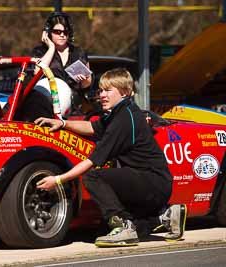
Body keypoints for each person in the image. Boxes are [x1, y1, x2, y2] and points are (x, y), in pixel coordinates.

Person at [35, 68, 187, 247]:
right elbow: (93, 127)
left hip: (152, 183)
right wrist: (63, 123)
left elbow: (91, 162)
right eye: (100, 90)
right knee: (105, 231)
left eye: (108, 90)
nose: (102, 95)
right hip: (151, 183)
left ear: (124, 92)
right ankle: (166, 216)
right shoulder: (121, 111)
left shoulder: (123, 119)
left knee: (92, 177)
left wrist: (58, 180)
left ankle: (123, 227)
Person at [32, 12, 92, 116]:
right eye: (57, 31)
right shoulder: (40, 51)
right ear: (48, 32)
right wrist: (51, 48)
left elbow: (87, 83)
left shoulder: (78, 52)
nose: (62, 35)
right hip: (47, 107)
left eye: (66, 32)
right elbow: (37, 73)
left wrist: (84, 79)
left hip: (74, 110)